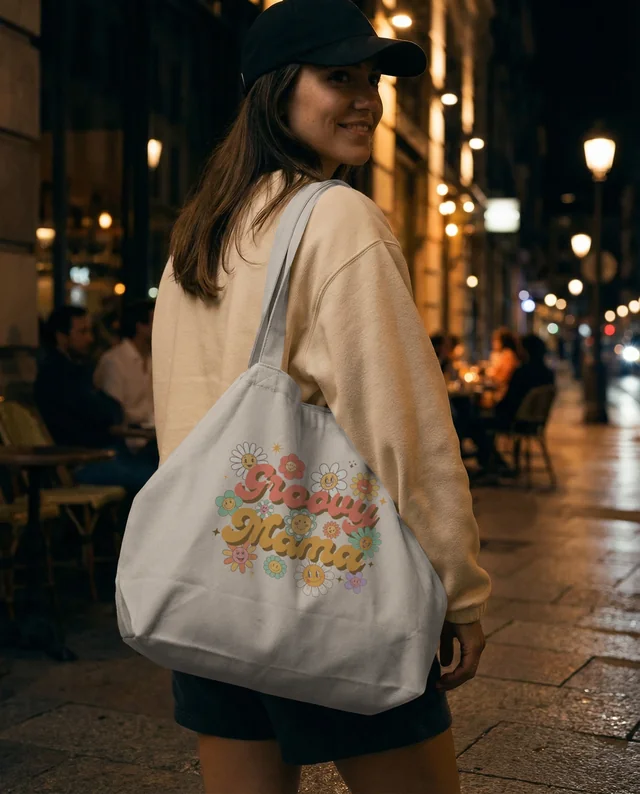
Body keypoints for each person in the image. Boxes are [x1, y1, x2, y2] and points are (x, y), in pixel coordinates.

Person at [153, 1, 490, 792]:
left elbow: (178, 413)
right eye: (339, 77)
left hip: (215, 582)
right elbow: (404, 428)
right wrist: (462, 589)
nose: (367, 99)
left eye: (371, 80)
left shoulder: (201, 232)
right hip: (330, 584)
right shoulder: (337, 219)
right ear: (276, 91)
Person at [35, 306, 155, 494]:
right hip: (83, 462)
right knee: (156, 480)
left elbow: (110, 409)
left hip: (102, 455)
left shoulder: (73, 369)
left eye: (89, 331)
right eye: (82, 332)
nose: (90, 339)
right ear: (61, 336)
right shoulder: (58, 375)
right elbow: (103, 412)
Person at [94, 301, 155, 451]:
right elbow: (114, 413)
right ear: (140, 326)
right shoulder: (114, 361)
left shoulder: (153, 359)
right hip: (125, 445)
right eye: (155, 320)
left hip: (152, 441)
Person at [487, 327, 521, 399]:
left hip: (504, 394)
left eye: (496, 340)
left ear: (503, 341)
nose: (493, 343)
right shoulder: (501, 354)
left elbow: (503, 377)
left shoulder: (508, 355)